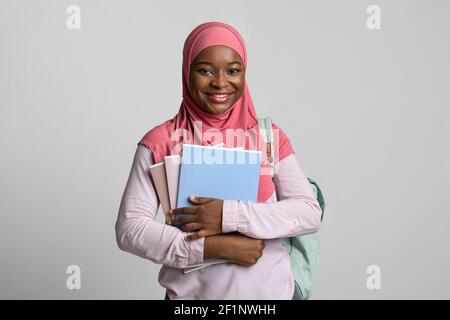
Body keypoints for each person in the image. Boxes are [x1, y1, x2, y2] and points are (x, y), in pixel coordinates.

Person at [115, 21, 322, 300]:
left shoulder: (268, 137)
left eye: (233, 70)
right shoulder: (160, 141)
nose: (220, 82)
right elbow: (130, 230)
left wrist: (227, 215)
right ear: (187, 71)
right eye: (205, 70)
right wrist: (212, 248)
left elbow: (308, 212)